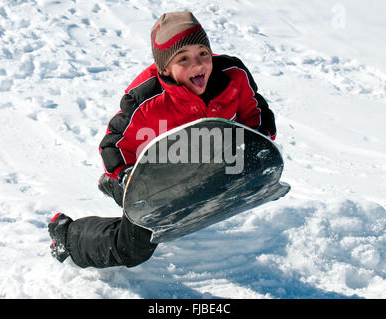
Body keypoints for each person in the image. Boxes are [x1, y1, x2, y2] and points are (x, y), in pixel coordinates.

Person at [48, 11, 277, 268]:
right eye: (184, 59)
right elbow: (113, 144)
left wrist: (258, 146)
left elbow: (256, 111)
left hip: (205, 169)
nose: (198, 64)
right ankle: (67, 234)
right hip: (155, 181)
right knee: (133, 250)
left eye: (203, 52)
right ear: (165, 67)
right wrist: (126, 177)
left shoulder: (232, 76)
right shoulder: (145, 100)